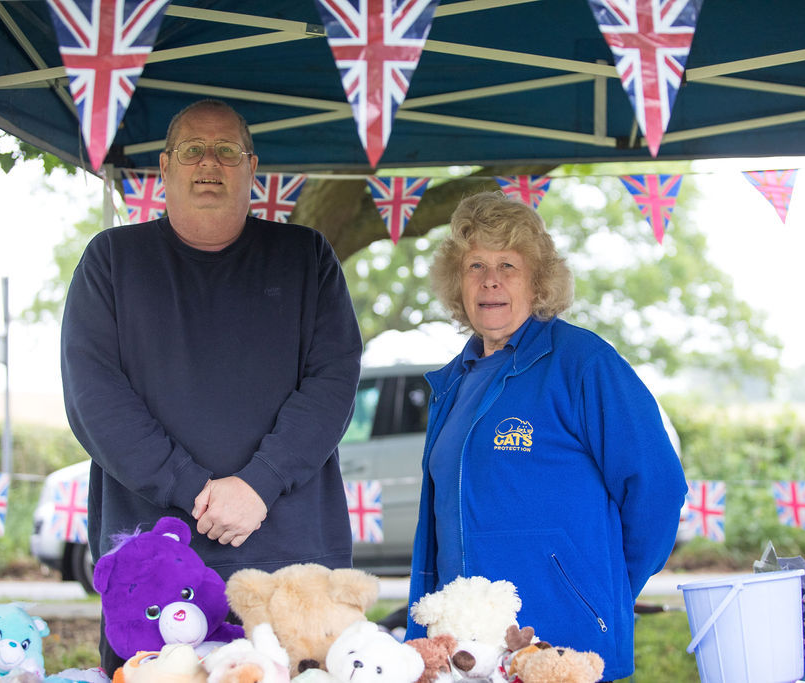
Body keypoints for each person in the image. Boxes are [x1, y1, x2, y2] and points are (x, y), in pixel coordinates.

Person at [60, 99, 362, 673]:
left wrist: (259, 483)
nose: (209, 163)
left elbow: (334, 381)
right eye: (193, 150)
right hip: (155, 568)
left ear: (252, 167)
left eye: (226, 151)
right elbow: (93, 396)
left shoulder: (307, 258)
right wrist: (192, 486)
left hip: (290, 564)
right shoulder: (110, 262)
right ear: (165, 165)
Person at [404, 191, 687, 681]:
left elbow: (657, 489)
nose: (490, 280)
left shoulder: (584, 364)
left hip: (565, 645)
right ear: (457, 281)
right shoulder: (453, 382)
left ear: (538, 282)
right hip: (470, 653)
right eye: (475, 266)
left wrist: (603, 591)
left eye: (508, 265)